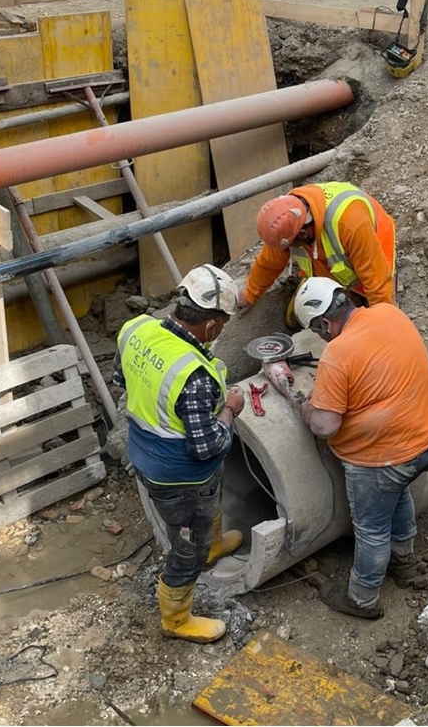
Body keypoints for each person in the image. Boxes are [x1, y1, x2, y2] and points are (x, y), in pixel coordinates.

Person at [293, 277, 428, 620]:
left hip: (386, 459)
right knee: (397, 497)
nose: (321, 339)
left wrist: (307, 407)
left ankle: (362, 598)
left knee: (371, 529)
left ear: (324, 322)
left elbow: (325, 426)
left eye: (318, 331)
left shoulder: (338, 352)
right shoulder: (388, 313)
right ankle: (404, 565)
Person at [116, 264, 246, 644]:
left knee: (209, 503)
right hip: (178, 475)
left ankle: (212, 546)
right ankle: (175, 620)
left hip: (144, 447)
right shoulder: (194, 376)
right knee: (187, 548)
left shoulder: (136, 329)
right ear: (209, 326)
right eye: (222, 323)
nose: (221, 330)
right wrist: (229, 409)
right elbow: (206, 446)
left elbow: (120, 378)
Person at [237, 182, 397, 325]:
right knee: (299, 319)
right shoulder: (286, 218)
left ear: (303, 234)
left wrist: (380, 324)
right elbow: (269, 262)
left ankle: (354, 297)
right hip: (329, 257)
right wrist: (249, 294)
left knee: (360, 315)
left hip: (374, 245)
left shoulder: (350, 223)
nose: (285, 251)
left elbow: (377, 283)